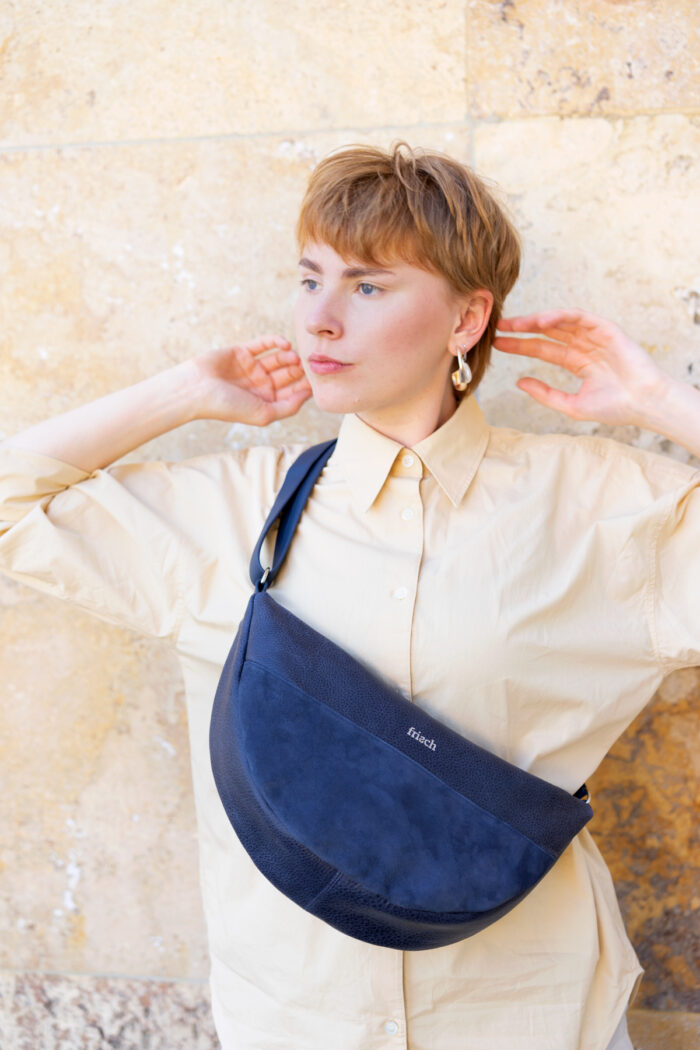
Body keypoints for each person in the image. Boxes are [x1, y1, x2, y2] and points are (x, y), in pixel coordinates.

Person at [0, 142, 698, 1050]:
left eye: (368, 287)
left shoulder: (603, 509)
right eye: (309, 279)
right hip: (296, 1023)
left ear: (466, 320)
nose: (319, 321)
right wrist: (182, 392)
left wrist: (658, 401)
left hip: (531, 1019)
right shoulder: (236, 509)